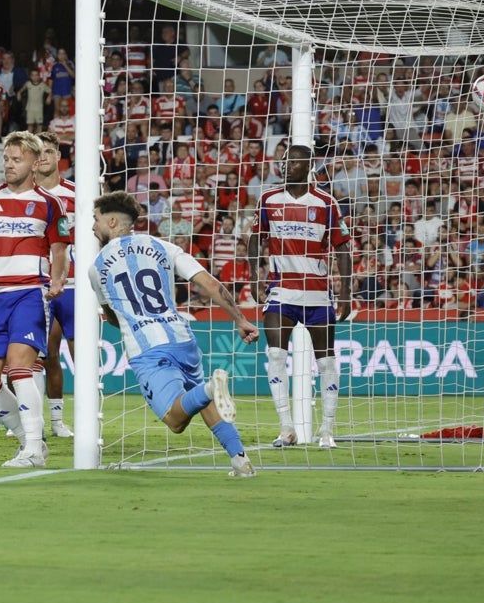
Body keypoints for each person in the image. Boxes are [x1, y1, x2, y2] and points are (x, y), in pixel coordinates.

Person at [91, 191, 257, 478]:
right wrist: (240, 319)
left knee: (175, 420)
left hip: (148, 349)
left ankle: (210, 388)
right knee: (199, 399)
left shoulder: (96, 267)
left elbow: (113, 319)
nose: (93, 226)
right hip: (182, 338)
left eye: (96, 220)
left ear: (113, 221)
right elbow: (209, 283)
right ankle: (240, 459)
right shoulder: (164, 246)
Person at [0, 130, 69, 468]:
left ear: (35, 163)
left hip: (29, 292)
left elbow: (59, 249)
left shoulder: (51, 204)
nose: (8, 165)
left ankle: (33, 447)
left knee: (20, 368)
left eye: (16, 159)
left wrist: (57, 279)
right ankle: (30, 441)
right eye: (6, 159)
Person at [248, 143, 352, 449]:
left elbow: (342, 248)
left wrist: (345, 292)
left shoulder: (325, 202)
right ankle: (286, 428)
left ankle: (327, 431)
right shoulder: (269, 199)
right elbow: (256, 239)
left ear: (308, 166)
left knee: (327, 362)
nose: (286, 166)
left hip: (318, 294)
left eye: (293, 162)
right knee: (276, 356)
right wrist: (255, 275)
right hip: (282, 291)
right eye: (284, 161)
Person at [34, 132, 74, 437]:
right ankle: (54, 422)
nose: (44, 157)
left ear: (58, 156)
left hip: (74, 286)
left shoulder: (77, 193)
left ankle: (85, 419)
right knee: (46, 356)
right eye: (39, 153)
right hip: (38, 286)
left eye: (49, 151)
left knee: (82, 356)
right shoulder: (26, 197)